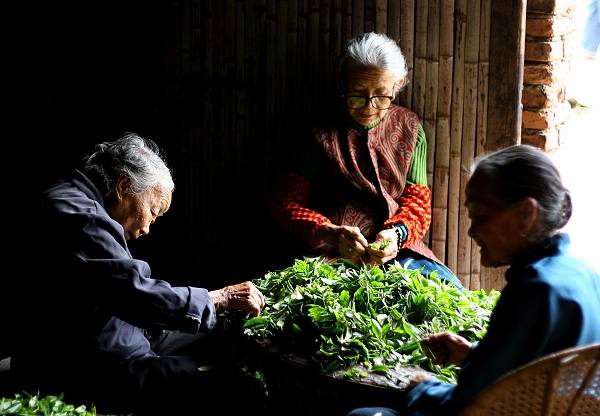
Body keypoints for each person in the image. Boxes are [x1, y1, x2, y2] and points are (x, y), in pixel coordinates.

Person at [10, 133, 266, 415]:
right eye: (152, 211)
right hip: (93, 366)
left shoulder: (79, 198)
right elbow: (134, 292)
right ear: (123, 186)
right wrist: (220, 297)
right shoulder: (78, 216)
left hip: (123, 335)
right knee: (237, 382)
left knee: (222, 329)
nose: (147, 228)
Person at [347, 144, 600, 416]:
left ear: (526, 214)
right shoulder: (584, 273)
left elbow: (468, 406)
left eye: (479, 215)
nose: (471, 230)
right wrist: (473, 354)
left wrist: (423, 389)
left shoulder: (534, 290)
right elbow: (533, 368)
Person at [269, 32, 463, 289]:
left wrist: (396, 235)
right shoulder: (317, 130)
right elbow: (284, 202)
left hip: (399, 250)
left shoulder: (410, 128)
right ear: (343, 82)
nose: (368, 106)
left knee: (444, 295)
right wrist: (328, 231)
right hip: (331, 250)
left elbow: (418, 202)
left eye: (381, 95)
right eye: (357, 94)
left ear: (398, 85)